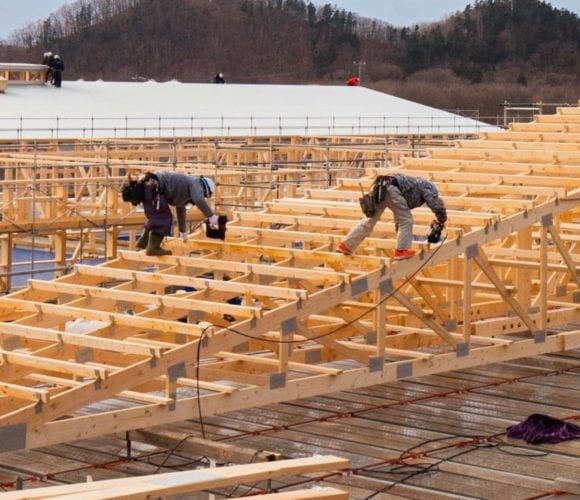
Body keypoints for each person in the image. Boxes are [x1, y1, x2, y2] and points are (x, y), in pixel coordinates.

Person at [337, 173, 447, 260]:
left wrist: (399, 229)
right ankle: (401, 251)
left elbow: (398, 209)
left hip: (379, 185)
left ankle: (346, 245)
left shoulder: (414, 185)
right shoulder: (429, 187)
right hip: (391, 187)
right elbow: (434, 203)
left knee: (369, 220)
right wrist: (442, 219)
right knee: (407, 220)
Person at [122, 172, 220, 255]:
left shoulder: (185, 189)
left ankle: (143, 242)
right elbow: (198, 199)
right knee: (163, 218)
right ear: (205, 189)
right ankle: (153, 248)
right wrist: (211, 216)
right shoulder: (195, 183)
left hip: (150, 186)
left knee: (156, 218)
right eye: (204, 195)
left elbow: (181, 209)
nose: (202, 196)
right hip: (154, 187)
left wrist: (183, 231)